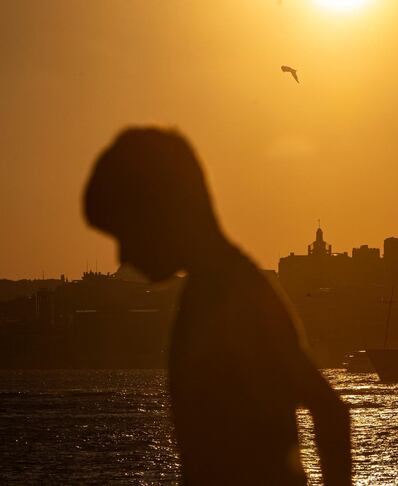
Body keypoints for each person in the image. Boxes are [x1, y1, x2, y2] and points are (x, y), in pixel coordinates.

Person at [83, 127, 351, 485]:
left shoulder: (230, 294)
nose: (124, 254)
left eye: (126, 231)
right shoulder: (219, 288)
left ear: (162, 212)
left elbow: (329, 410)